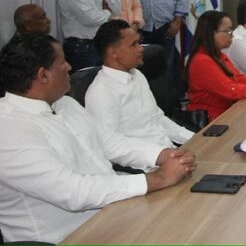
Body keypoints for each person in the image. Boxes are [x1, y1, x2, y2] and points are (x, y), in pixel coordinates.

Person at [0, 33, 196, 244]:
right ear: (43, 75)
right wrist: (158, 179)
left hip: (113, 215)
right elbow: (72, 191)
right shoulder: (9, 130)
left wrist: (163, 155)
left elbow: (108, 143)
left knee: (191, 217)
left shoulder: (65, 104)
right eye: (62, 62)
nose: (69, 67)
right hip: (67, 237)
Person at [85, 20, 194, 148]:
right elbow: (110, 146)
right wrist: (160, 155)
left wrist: (193, 138)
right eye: (133, 44)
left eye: (139, 42)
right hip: (146, 159)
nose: (141, 48)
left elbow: (157, 118)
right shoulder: (101, 92)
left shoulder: (137, 75)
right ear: (113, 53)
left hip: (168, 150)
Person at [186, 10, 246, 122]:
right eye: (227, 31)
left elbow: (239, 79)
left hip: (227, 112)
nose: (232, 35)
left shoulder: (219, 55)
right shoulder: (202, 61)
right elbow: (232, 90)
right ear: (210, 33)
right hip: (211, 120)